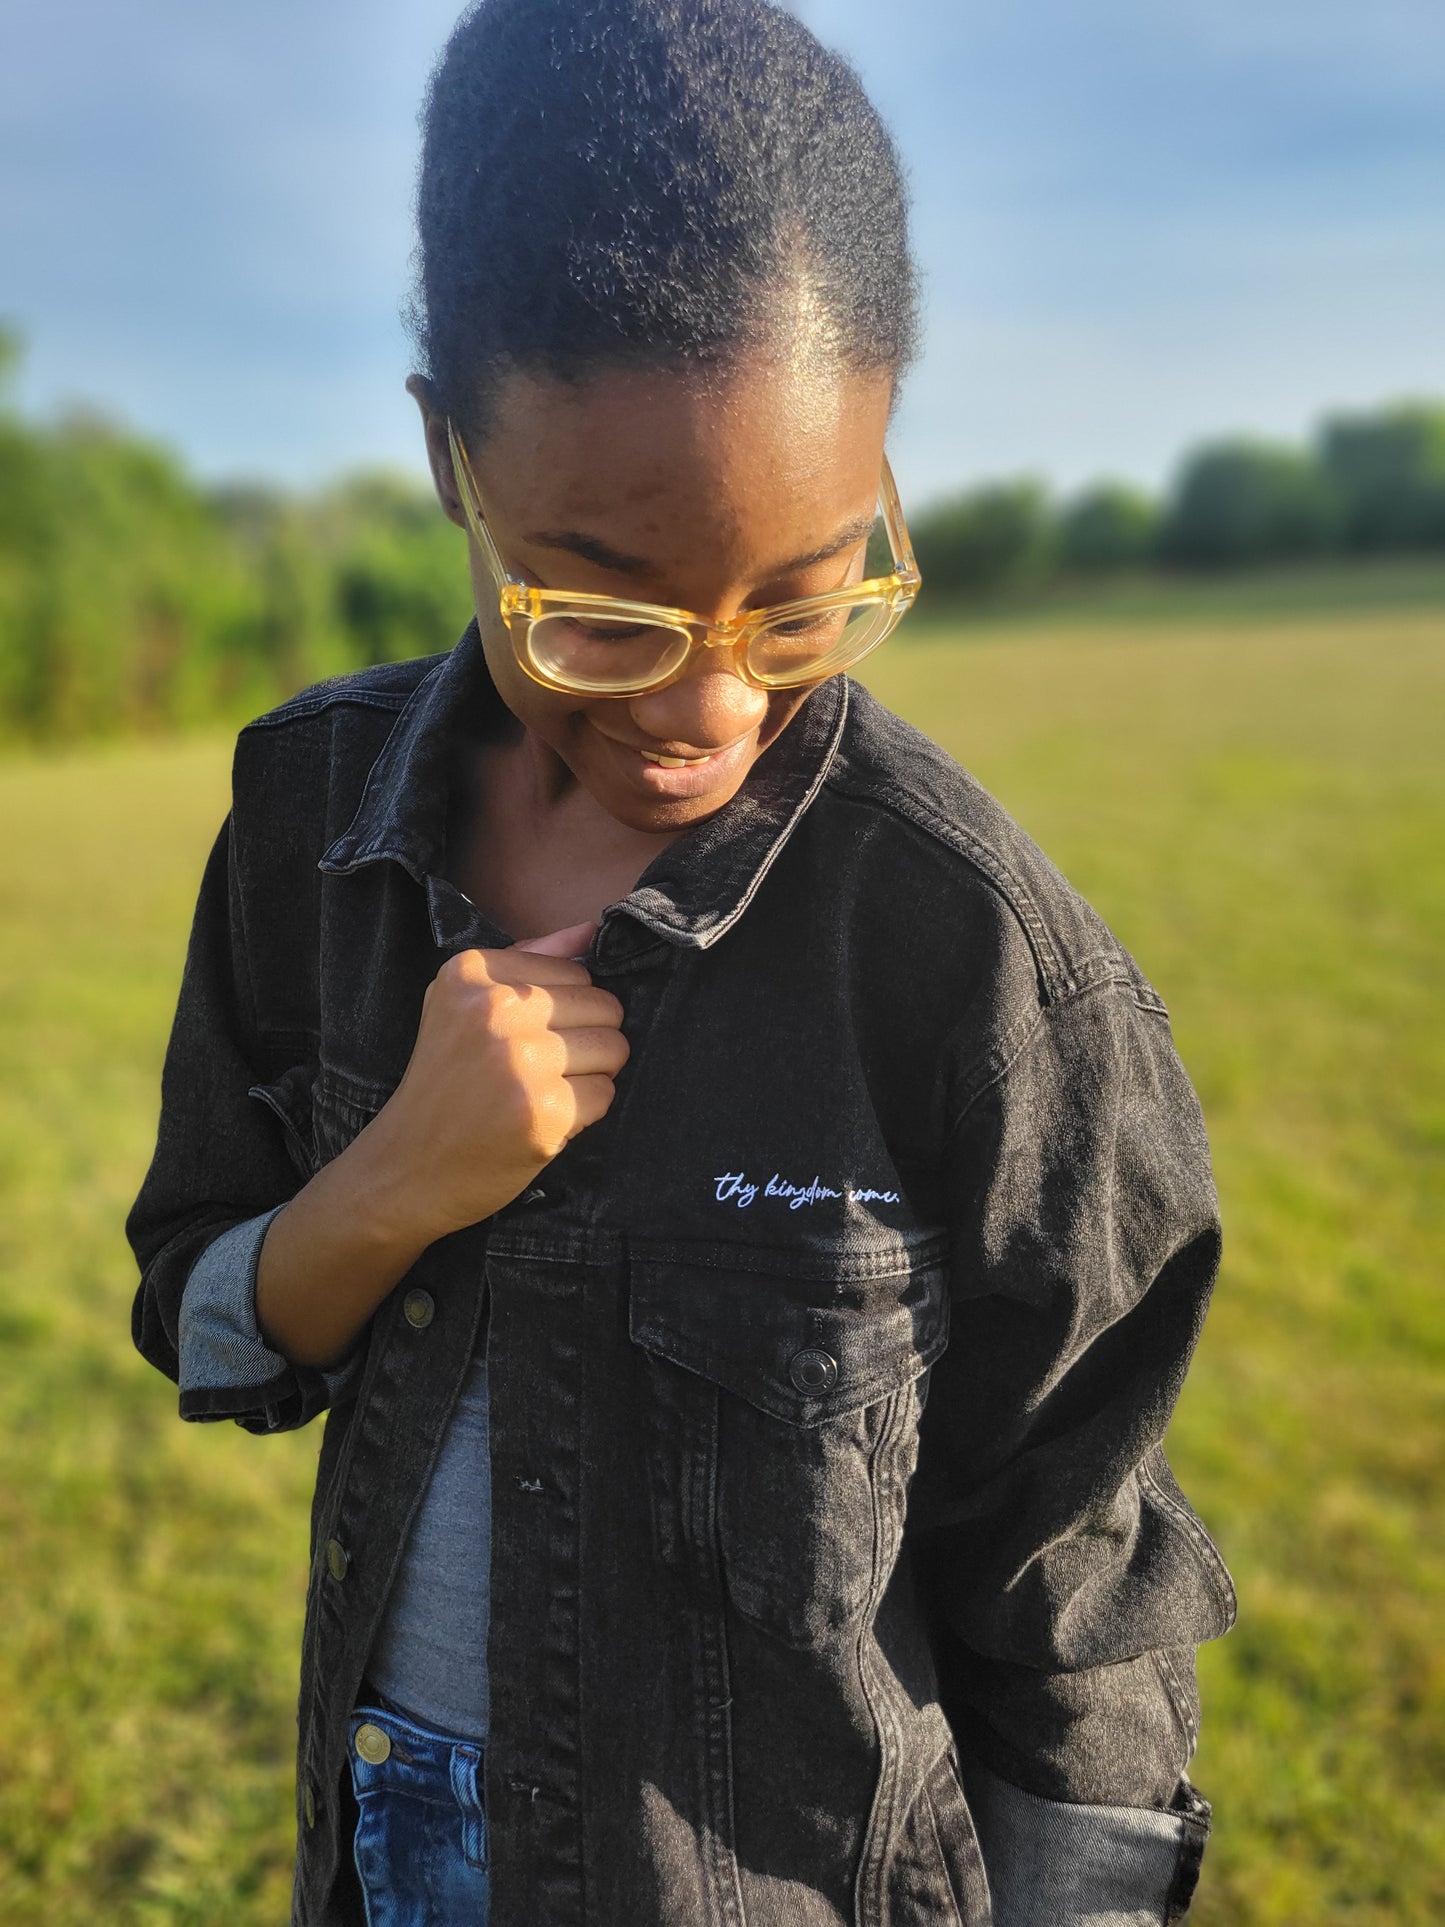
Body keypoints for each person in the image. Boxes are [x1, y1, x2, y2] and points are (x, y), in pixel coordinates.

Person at [127, 2, 1236, 1922]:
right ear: (451, 461)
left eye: (807, 596)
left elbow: (1074, 1594)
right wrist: (391, 1182)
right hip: (385, 1855)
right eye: (604, 611)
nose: (708, 703)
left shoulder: (971, 956)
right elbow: (208, 1327)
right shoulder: (304, 822)